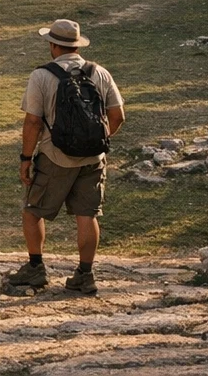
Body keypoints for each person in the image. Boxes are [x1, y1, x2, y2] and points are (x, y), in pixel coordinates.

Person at [8, 18, 125, 296]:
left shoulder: (42, 76)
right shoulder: (100, 73)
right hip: (93, 157)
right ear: (76, 45)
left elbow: (33, 122)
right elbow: (118, 115)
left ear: (53, 45)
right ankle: (85, 274)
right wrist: (97, 139)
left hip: (53, 155)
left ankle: (36, 267)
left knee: (33, 209)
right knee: (87, 215)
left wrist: (26, 159)